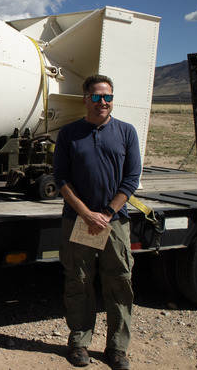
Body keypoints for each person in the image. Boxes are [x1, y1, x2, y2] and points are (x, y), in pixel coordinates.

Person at [53, 75, 141, 370]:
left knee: (119, 282)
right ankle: (79, 343)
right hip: (78, 220)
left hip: (114, 222)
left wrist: (106, 214)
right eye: (96, 97)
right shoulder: (69, 134)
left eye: (107, 97)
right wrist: (86, 214)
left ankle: (118, 348)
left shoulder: (127, 132)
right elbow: (61, 178)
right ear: (85, 100)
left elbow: (131, 178)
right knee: (78, 280)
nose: (102, 102)